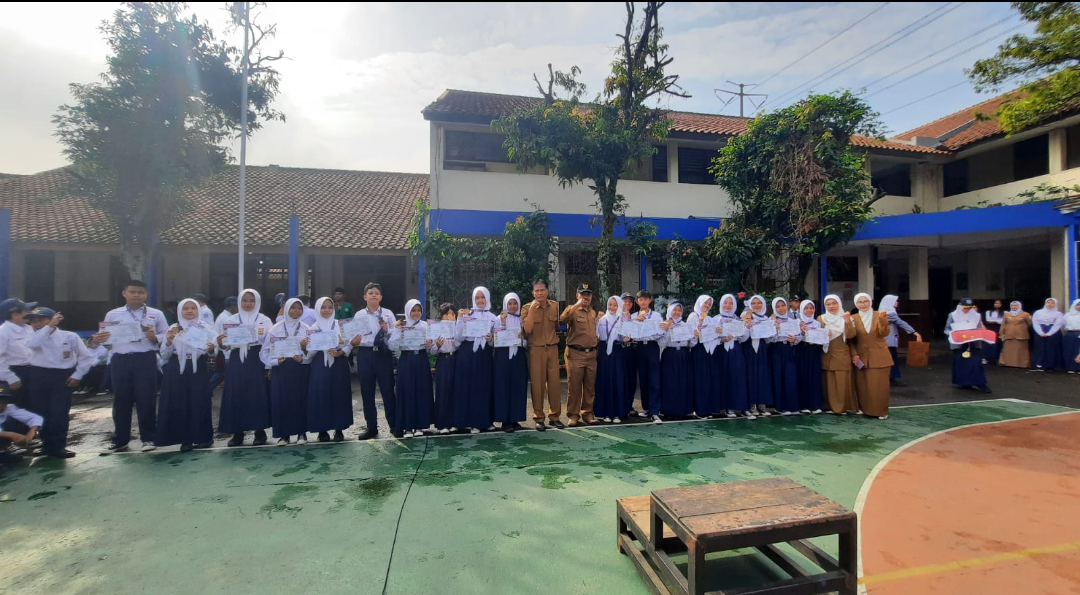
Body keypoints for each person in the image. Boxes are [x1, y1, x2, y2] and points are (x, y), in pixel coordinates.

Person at [92, 280, 169, 454]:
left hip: (145, 359)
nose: (136, 295)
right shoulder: (113, 314)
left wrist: (155, 337)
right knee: (121, 400)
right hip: (121, 359)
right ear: (124, 293)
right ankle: (120, 440)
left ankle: (148, 438)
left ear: (146, 294)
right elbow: (106, 340)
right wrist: (99, 339)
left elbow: (165, 334)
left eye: (141, 292)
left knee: (146, 399)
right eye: (132, 291)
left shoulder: (156, 314)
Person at [24, 307, 94, 458]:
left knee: (59, 412)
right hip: (38, 374)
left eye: (41, 320)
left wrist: (78, 375)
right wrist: (48, 327)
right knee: (41, 412)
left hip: (61, 376)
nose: (37, 324)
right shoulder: (32, 336)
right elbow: (32, 344)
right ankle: (46, 445)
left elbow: (86, 357)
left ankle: (59, 446)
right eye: (34, 321)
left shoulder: (69, 336)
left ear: (54, 320)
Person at [157, 299, 217, 452]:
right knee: (179, 402)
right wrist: (168, 341)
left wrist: (211, 349)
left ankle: (204, 437)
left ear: (198, 310)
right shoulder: (173, 328)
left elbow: (214, 352)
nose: (189, 311)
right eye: (185, 308)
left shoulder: (206, 328)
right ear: (179, 311)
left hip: (198, 368)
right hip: (176, 367)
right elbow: (164, 354)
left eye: (193, 308)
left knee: (200, 401)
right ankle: (185, 439)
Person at [216, 288, 273, 447]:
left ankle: (259, 432)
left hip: (257, 358)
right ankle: (237, 433)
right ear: (239, 302)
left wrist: (269, 365)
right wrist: (221, 344)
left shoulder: (264, 320)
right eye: (245, 300)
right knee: (236, 393)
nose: (248, 304)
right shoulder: (230, 321)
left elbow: (270, 343)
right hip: (237, 360)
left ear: (257, 302)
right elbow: (226, 345)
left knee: (257, 394)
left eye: (252, 300)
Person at [348, 282, 398, 439]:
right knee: (367, 392)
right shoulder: (359, 315)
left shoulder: (388, 314)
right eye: (370, 293)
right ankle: (371, 428)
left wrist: (387, 330)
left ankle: (394, 426)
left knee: (388, 391)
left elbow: (395, 335)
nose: (374, 295)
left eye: (377, 293)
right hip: (365, 354)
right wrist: (353, 341)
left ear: (381, 297)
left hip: (383, 354)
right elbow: (352, 335)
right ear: (365, 297)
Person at [263, 298, 311, 446]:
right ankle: (284, 435)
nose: (296, 311)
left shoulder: (306, 328)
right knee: (281, 400)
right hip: (281, 368)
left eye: (299, 308)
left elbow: (312, 350)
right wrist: (273, 363)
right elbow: (264, 351)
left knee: (300, 400)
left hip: (299, 368)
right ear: (287, 309)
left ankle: (302, 433)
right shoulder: (275, 329)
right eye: (293, 308)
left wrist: (304, 357)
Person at [304, 297, 353, 443]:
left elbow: (349, 342)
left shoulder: (340, 325)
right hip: (320, 363)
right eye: (323, 307)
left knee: (339, 395)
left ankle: (339, 429)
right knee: (320, 395)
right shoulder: (313, 328)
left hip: (338, 363)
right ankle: (322, 430)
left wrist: (341, 351)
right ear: (317, 309)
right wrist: (309, 347)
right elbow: (309, 352)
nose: (327, 310)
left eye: (329, 307)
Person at [389, 299, 434, 438]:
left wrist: (429, 344)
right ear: (408, 311)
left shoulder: (425, 325)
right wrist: (397, 331)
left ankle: (420, 425)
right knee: (406, 392)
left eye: (419, 310)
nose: (416, 313)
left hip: (421, 359)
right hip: (406, 360)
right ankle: (407, 427)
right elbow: (392, 346)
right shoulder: (401, 325)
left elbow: (431, 348)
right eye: (413, 310)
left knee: (421, 391)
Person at [454, 287, 496, 433]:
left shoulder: (493, 317)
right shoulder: (467, 315)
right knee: (468, 386)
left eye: (482, 297)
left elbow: (495, 341)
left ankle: (485, 421)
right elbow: (458, 338)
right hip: (467, 354)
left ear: (487, 298)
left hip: (484, 354)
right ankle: (470, 422)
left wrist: (491, 339)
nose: (480, 300)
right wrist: (460, 319)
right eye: (477, 297)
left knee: (484, 386)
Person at [522, 280, 562, 431]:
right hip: (536, 350)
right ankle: (539, 418)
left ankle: (555, 417)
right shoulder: (527, 308)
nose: (539, 293)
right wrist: (533, 308)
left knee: (554, 384)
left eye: (542, 290)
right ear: (533, 293)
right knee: (537, 385)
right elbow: (527, 329)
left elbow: (557, 326)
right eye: (536, 291)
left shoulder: (554, 306)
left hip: (552, 349)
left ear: (547, 291)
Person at [561, 283, 600, 427]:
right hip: (575, 353)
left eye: (588, 294)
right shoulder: (572, 309)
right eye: (583, 294)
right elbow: (563, 319)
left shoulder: (593, 312)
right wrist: (576, 305)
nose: (586, 297)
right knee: (574, 387)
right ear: (577, 296)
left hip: (591, 354)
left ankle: (588, 413)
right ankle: (573, 415)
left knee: (590, 387)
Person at [851, 293, 892, 420]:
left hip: (879, 356)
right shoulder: (853, 318)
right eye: (860, 302)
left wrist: (883, 319)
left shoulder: (879, 315)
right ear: (856, 304)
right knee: (863, 386)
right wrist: (854, 354)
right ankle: (865, 409)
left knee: (879, 386)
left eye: (866, 301)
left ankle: (881, 411)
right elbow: (850, 339)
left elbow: (884, 332)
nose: (863, 304)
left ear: (870, 302)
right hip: (861, 357)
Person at [0, 298, 38, 428]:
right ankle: (13, 436)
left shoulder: (29, 329)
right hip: (14, 372)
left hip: (32, 371)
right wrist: (10, 378)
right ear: (15, 314)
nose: (29, 313)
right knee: (16, 408)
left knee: (31, 406)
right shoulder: (3, 331)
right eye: (26, 311)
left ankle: (28, 435)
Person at [492, 294, 527, 432]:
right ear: (505, 304)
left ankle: (515, 418)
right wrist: (503, 323)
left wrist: (522, 339)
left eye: (515, 303)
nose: (512, 306)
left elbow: (527, 342)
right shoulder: (498, 318)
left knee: (517, 386)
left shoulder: (522, 319)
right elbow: (494, 340)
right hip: (502, 355)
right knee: (503, 386)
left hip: (518, 355)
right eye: (510, 303)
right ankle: (505, 420)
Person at [820, 295, 858, 415]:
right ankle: (828, 406)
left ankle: (841, 407)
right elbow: (816, 336)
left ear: (839, 304)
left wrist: (847, 322)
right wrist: (823, 334)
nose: (831, 306)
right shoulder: (821, 319)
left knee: (841, 382)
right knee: (828, 382)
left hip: (842, 355)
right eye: (828, 304)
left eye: (834, 303)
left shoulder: (847, 318)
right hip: (826, 355)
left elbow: (851, 336)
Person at [944, 298, 991, 393]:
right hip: (959, 344)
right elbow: (947, 329)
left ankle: (980, 383)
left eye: (969, 308)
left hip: (974, 343)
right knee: (962, 363)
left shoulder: (977, 316)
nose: (967, 309)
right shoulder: (953, 315)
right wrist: (953, 335)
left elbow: (979, 328)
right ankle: (964, 383)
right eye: (965, 308)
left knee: (976, 363)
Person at [716, 294, 751, 419]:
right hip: (722, 350)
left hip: (736, 350)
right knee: (725, 377)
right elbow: (711, 337)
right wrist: (721, 339)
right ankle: (728, 407)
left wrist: (746, 327)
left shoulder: (738, 319)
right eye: (725, 303)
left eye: (730, 303)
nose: (728, 305)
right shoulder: (716, 319)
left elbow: (743, 338)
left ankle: (743, 407)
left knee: (739, 377)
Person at [632, 290, 665, 421]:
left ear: (650, 300)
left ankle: (655, 410)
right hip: (639, 347)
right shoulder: (634, 316)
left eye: (646, 299)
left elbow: (660, 333)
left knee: (654, 380)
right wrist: (636, 321)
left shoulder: (656, 316)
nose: (643, 302)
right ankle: (646, 408)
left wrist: (648, 324)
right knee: (643, 379)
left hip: (652, 346)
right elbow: (630, 333)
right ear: (637, 301)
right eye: (641, 299)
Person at [658, 302, 694, 421]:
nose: (677, 312)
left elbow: (691, 344)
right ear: (670, 311)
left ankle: (684, 410)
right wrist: (666, 331)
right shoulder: (664, 324)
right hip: (670, 355)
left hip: (683, 355)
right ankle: (668, 410)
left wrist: (694, 336)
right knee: (670, 382)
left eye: (679, 310)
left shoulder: (686, 325)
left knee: (683, 382)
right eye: (674, 310)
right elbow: (661, 343)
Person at [595, 295, 628, 423]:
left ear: (619, 306)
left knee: (617, 381)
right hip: (604, 354)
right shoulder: (602, 320)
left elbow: (626, 337)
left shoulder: (623, 320)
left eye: (615, 305)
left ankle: (617, 413)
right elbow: (597, 335)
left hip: (617, 352)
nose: (612, 307)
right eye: (610, 304)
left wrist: (626, 340)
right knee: (605, 380)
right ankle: (605, 413)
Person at [877, 295, 921, 387]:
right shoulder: (890, 313)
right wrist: (915, 333)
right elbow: (901, 323)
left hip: (885, 341)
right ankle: (891, 378)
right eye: (895, 301)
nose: (897, 303)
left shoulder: (881, 312)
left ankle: (888, 378)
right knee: (892, 359)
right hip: (888, 341)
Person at [687, 295, 720, 418]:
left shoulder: (710, 319)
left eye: (709, 304)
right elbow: (691, 337)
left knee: (709, 380)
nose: (707, 306)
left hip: (710, 352)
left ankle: (709, 408)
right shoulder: (693, 317)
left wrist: (718, 332)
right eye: (705, 303)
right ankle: (699, 410)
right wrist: (699, 325)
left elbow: (715, 337)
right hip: (699, 351)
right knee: (700, 380)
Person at [769, 298, 800, 416]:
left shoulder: (792, 320)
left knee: (790, 377)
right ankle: (780, 407)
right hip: (776, 349)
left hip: (788, 349)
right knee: (778, 377)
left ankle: (792, 406)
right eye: (778, 306)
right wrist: (775, 330)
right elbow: (768, 339)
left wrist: (795, 339)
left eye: (783, 305)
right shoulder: (771, 321)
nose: (781, 308)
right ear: (774, 308)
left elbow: (799, 336)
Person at [743, 295, 773, 417]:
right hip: (749, 348)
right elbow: (741, 336)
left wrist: (773, 329)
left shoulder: (766, 319)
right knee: (750, 375)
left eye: (759, 303)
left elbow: (769, 339)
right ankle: (752, 404)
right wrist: (747, 325)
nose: (756, 305)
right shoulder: (745, 316)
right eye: (753, 303)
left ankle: (762, 403)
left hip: (761, 348)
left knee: (762, 374)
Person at [430, 303, 458, 434]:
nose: (449, 317)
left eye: (452, 314)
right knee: (443, 391)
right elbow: (432, 351)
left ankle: (455, 422)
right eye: (446, 314)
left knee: (456, 391)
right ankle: (443, 424)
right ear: (441, 316)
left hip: (456, 360)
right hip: (443, 360)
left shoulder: (458, 326)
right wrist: (437, 345)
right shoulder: (436, 328)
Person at [795, 301, 824, 414]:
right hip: (802, 350)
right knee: (803, 376)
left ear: (814, 310)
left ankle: (816, 405)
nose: (808, 310)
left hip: (814, 351)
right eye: (806, 308)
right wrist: (802, 333)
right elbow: (794, 339)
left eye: (811, 308)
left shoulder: (817, 323)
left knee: (815, 377)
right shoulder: (797, 322)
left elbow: (821, 338)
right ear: (801, 310)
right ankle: (803, 405)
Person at [209, 296, 238, 391]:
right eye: (237, 306)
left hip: (223, 351)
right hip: (224, 351)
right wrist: (227, 356)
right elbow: (224, 338)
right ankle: (206, 390)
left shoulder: (224, 316)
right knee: (221, 374)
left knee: (222, 374)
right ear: (232, 306)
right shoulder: (226, 319)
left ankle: (206, 390)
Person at [1032, 298, 1065, 371]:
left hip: (1054, 332)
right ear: (1045, 303)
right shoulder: (1038, 312)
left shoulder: (1058, 314)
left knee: (1052, 348)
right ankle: (1040, 365)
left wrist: (1049, 333)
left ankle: (1052, 365)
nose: (1050, 304)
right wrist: (1040, 332)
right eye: (1048, 303)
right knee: (1040, 348)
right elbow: (1035, 323)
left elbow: (1058, 324)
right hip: (1040, 331)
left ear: (1055, 304)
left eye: (1052, 303)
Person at [619, 293, 638, 416]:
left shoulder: (634, 317)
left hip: (632, 350)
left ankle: (629, 405)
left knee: (631, 379)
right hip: (621, 350)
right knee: (622, 378)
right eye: (625, 301)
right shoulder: (616, 316)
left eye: (630, 302)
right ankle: (621, 406)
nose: (628, 303)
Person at [983, 300, 1005, 364]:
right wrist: (997, 321)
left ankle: (998, 359)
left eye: (999, 303)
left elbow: (1003, 321)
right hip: (991, 328)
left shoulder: (1005, 312)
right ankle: (988, 358)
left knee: (999, 343)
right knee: (990, 343)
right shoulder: (988, 312)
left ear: (1001, 304)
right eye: (996, 303)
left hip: (1000, 328)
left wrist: (995, 321)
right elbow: (988, 320)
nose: (997, 304)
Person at [1064, 299, 1080, 374]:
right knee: (1069, 351)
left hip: (1079, 333)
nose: (1079, 306)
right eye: (1077, 305)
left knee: (1078, 351)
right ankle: (1071, 367)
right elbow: (1063, 323)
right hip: (1069, 333)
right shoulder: (1068, 315)